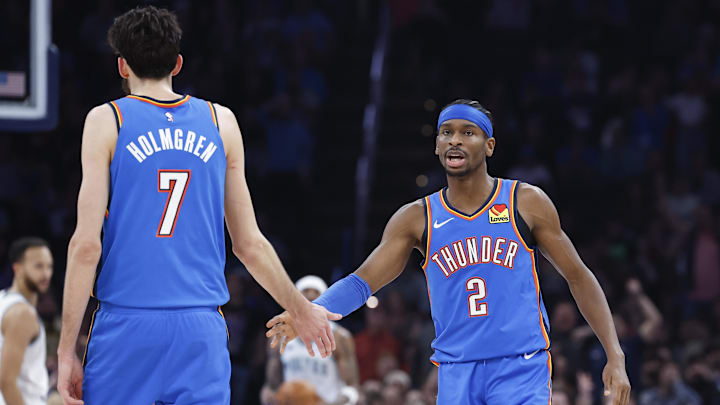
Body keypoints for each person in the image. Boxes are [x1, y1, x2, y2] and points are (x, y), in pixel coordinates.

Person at [56, 6, 338, 405]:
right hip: (199, 328)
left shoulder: (107, 120)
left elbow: (86, 246)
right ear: (178, 62)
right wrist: (301, 308)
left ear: (122, 66)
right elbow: (249, 244)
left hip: (126, 323)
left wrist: (67, 351)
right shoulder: (220, 121)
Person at [268, 99, 631, 404]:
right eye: (447, 132)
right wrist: (311, 310)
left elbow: (578, 276)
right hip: (457, 372)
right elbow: (363, 281)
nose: (455, 140)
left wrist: (614, 354)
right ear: (437, 145)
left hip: (520, 366)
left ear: (489, 145)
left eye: (467, 132)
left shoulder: (525, 201)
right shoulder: (416, 218)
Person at [263, 276, 359, 405]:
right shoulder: (281, 335)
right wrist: (271, 395)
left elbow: (351, 387)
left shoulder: (340, 336)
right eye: (305, 293)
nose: (310, 297)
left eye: (315, 295)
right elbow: (271, 385)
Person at [0, 237, 53, 405]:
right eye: (38, 266)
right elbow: (6, 381)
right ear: (18, 269)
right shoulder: (23, 314)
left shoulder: (3, 299)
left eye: (49, 266)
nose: (46, 274)